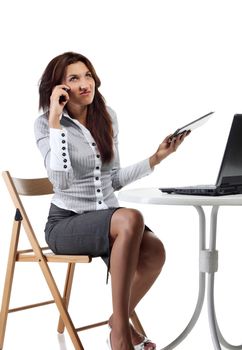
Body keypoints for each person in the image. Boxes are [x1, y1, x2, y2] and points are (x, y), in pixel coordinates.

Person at [34, 51, 189, 350]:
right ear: (59, 88)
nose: (84, 83)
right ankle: (120, 333)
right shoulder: (45, 125)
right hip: (66, 224)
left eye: (88, 75)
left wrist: (157, 157)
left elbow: (112, 179)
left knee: (155, 250)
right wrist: (55, 120)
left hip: (106, 218)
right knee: (130, 217)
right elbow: (61, 181)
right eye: (74, 78)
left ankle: (115, 320)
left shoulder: (108, 117)